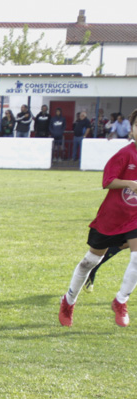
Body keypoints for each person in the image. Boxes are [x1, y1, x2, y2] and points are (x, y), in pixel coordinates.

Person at [58, 109, 137, 328]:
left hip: (135, 219)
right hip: (110, 218)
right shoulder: (125, 154)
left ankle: (121, 301)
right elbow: (107, 180)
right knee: (89, 262)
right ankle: (68, 301)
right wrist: (130, 183)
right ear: (132, 130)